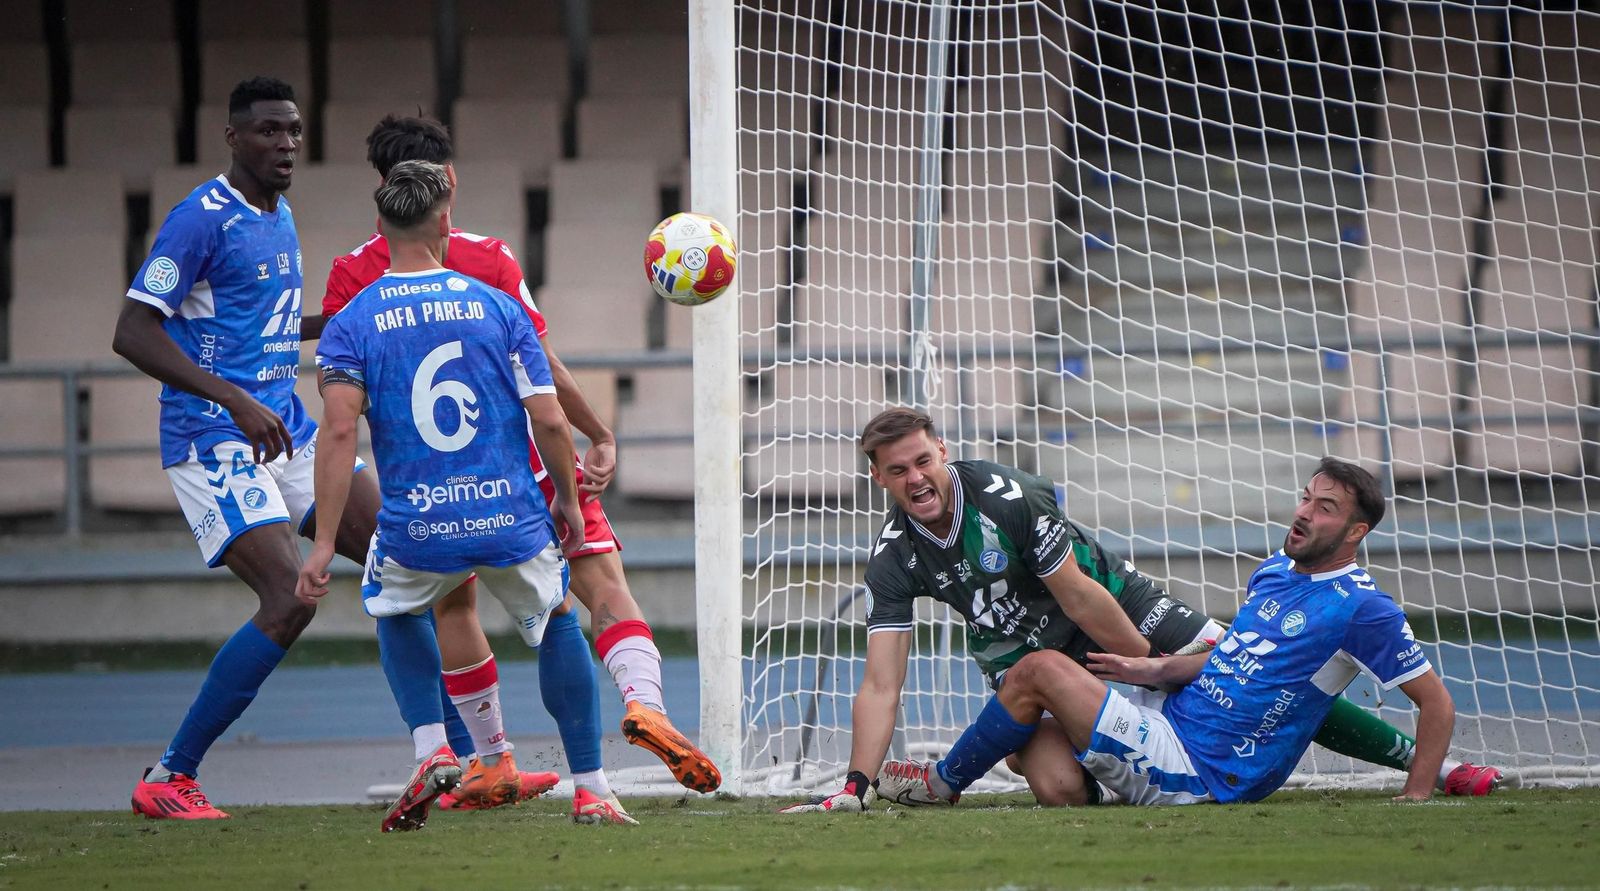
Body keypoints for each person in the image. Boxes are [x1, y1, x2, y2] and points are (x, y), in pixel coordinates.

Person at [784, 409, 1497, 812]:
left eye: (923, 461)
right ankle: (1097, 744)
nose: (915, 479)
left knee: (1253, 665)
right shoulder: (891, 560)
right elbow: (882, 682)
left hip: (1116, 606)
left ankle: (1428, 764)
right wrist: (853, 786)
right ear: (877, 479)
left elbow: (1081, 596)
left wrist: (1149, 674)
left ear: (944, 452)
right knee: (1063, 793)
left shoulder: (1008, 497)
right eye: (897, 471)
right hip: (1016, 649)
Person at [303, 115, 718, 797]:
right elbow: (544, 367)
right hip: (527, 468)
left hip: (430, 481)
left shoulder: (352, 276)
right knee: (599, 589)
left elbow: (351, 398)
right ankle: (644, 706)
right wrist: (597, 434)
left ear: (383, 191)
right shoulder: (490, 259)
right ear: (449, 187)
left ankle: (490, 757)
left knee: (452, 609)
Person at [298, 159, 618, 831]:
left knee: (395, 608)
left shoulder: (352, 322)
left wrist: (325, 542)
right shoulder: (498, 308)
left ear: (381, 227)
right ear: (445, 220)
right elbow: (551, 418)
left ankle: (434, 748)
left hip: (418, 524)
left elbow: (336, 431)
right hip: (510, 516)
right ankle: (592, 788)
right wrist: (565, 500)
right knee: (558, 618)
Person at [114, 76, 387, 819]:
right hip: (213, 441)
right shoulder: (198, 220)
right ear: (233, 137)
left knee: (403, 554)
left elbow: (258, 318)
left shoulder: (281, 212)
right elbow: (132, 330)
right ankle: (170, 775)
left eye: (293, 131)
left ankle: (451, 755)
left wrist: (339, 320)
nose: (286, 144)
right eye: (269, 131)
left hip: (288, 430)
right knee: (287, 598)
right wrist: (231, 398)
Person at [886, 458, 1458, 806]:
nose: (1304, 512)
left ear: (1357, 530)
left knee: (1035, 672)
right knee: (1031, 757)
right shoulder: (1277, 571)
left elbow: (1437, 704)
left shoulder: (1363, 609)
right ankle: (1098, 786)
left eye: (1325, 508)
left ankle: (938, 784)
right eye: (1306, 497)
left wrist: (1418, 791)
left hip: (1205, 771)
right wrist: (1155, 670)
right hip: (1171, 724)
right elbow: (1234, 659)